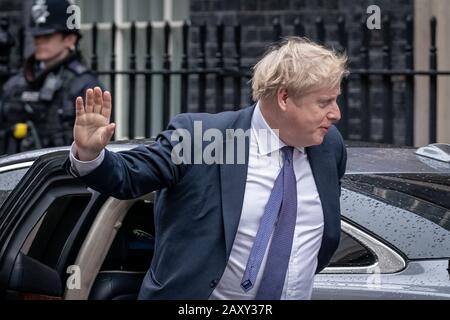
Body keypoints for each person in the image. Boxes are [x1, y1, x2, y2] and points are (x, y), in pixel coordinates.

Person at [66, 37, 348, 300]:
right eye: (324, 102)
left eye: (335, 100)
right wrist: (90, 153)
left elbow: (319, 240)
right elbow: (128, 177)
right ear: (284, 98)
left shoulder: (328, 146)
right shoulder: (203, 139)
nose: (336, 114)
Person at [0, 0, 102, 155]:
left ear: (69, 39)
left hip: (63, 174)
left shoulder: (85, 85)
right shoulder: (16, 83)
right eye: (36, 36)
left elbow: (97, 145)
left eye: (46, 36)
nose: (38, 42)